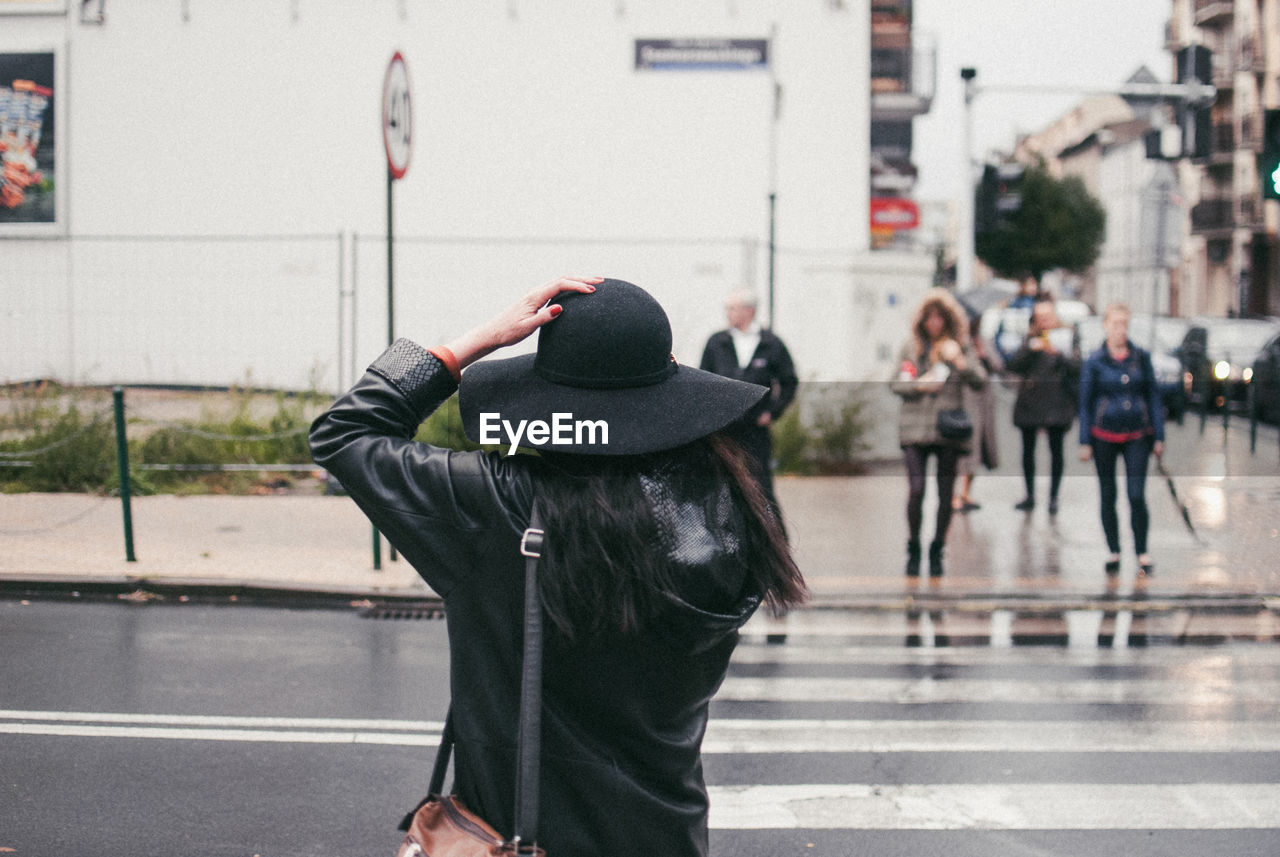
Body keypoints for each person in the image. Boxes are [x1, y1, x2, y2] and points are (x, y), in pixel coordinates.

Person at [310, 276, 805, 857]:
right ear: (668, 391)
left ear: (546, 398)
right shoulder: (729, 506)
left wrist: (473, 343)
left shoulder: (498, 505)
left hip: (529, 840)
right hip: (666, 832)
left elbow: (342, 433)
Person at [890, 288, 988, 577]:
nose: (934, 323)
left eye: (940, 317)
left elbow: (980, 380)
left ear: (948, 320)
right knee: (916, 490)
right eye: (929, 317)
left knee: (946, 495)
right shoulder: (911, 347)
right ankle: (913, 547)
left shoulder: (959, 345)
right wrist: (919, 385)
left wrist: (960, 361)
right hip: (914, 427)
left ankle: (936, 550)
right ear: (922, 320)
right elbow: (895, 382)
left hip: (948, 429)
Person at [1078, 301, 1165, 576]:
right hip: (1103, 433)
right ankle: (1113, 550)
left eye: (1124, 324)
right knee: (1108, 494)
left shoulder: (1140, 357)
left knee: (1136, 494)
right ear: (1105, 325)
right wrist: (1084, 440)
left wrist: (1159, 435)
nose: (1120, 329)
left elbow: (1153, 397)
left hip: (1137, 434)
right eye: (1115, 323)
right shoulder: (1094, 360)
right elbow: (1085, 403)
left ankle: (1141, 551)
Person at [699, 289, 798, 517]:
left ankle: (774, 542)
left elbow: (789, 382)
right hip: (725, 426)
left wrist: (772, 413)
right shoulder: (717, 342)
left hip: (756, 427)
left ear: (749, 311)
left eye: (733, 308)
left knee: (761, 485)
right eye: (727, 308)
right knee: (721, 482)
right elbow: (703, 381)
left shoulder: (771, 343)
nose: (728, 314)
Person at [1006, 296, 1080, 515]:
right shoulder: (1030, 339)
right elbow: (1013, 365)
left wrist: (1058, 354)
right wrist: (1032, 348)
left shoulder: (1067, 336)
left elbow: (1078, 367)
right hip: (1030, 402)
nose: (1045, 321)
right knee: (1028, 451)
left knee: (1056, 451)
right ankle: (1029, 494)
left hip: (1057, 402)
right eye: (1040, 317)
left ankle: (1053, 497)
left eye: (1048, 316)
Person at [952, 308, 1001, 512]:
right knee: (962, 448)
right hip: (963, 400)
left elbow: (999, 365)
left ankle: (966, 493)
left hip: (983, 402)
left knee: (978, 448)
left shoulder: (983, 341)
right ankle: (955, 495)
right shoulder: (956, 343)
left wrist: (985, 355)